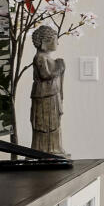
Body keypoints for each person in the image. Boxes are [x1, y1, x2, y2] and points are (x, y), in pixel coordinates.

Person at [30, 25, 66, 156]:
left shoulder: (47, 57)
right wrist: (59, 67)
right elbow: (45, 75)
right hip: (44, 95)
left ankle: (54, 148)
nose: (57, 43)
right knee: (46, 124)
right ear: (45, 42)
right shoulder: (40, 57)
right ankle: (45, 150)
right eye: (55, 40)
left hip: (51, 94)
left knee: (54, 122)